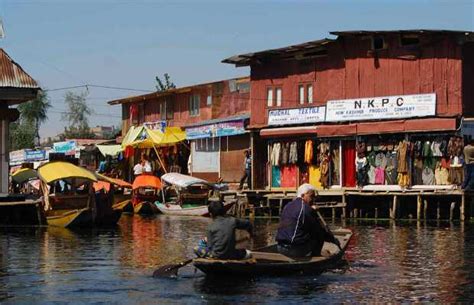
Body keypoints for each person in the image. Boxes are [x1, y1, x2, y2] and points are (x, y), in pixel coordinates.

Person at [276, 183, 340, 257]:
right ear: (303, 196)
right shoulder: (306, 209)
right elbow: (318, 229)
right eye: (311, 196)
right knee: (319, 234)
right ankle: (316, 257)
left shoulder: (287, 205)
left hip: (280, 247)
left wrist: (311, 211)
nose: (313, 200)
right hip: (293, 250)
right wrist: (333, 240)